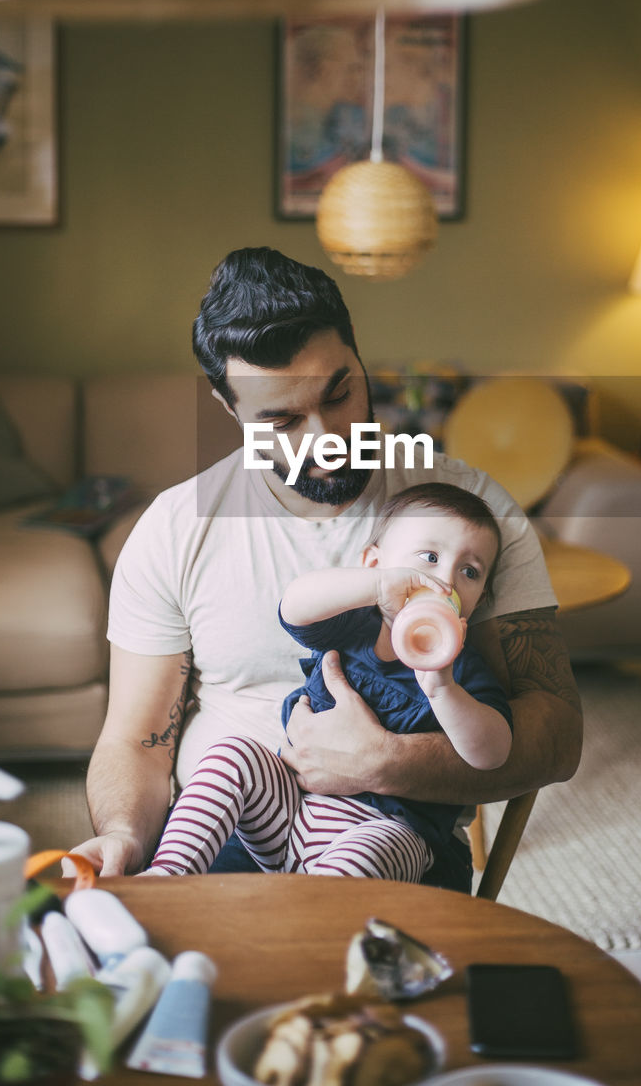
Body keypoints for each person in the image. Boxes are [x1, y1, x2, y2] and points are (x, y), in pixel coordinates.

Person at [69, 247, 583, 889]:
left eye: (340, 393)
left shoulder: (467, 520)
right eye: (282, 419)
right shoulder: (177, 529)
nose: (326, 437)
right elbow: (136, 741)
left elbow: (557, 736)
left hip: (394, 846)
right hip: (237, 837)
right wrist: (122, 835)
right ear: (231, 411)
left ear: (361, 359)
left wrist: (388, 763)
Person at [141, 483, 511, 881]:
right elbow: (294, 607)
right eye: (430, 557)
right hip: (290, 813)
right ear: (374, 565)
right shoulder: (353, 626)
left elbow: (492, 753)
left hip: (388, 831)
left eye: (469, 571)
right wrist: (377, 588)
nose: (446, 580)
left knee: (378, 848)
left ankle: (310, 921)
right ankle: (168, 875)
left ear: (478, 599)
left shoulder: (461, 670)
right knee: (232, 755)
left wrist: (444, 689)